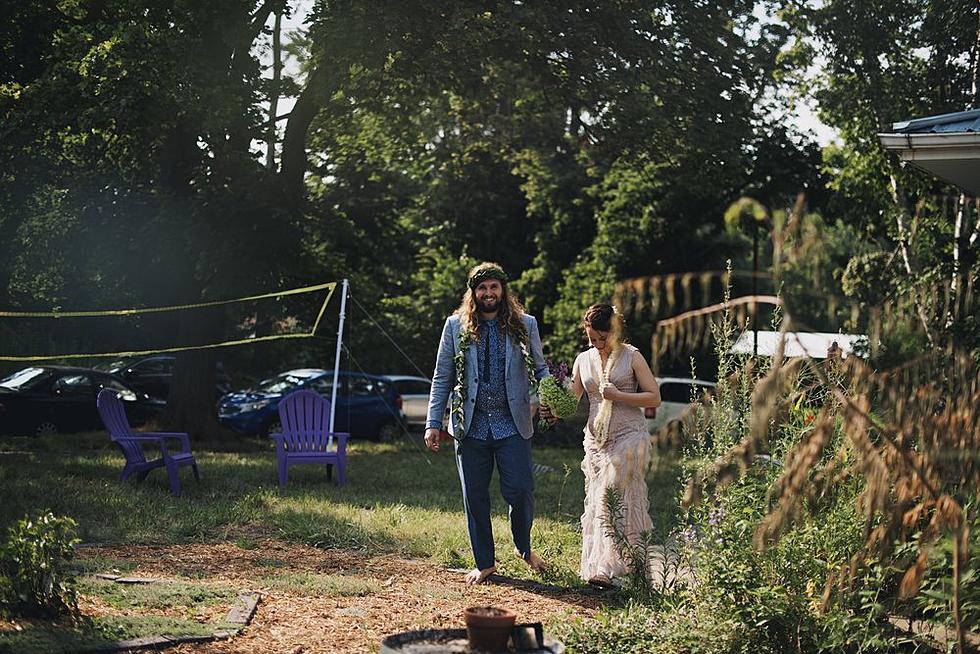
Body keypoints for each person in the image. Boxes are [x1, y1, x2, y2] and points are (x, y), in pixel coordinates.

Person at [424, 262, 551, 585]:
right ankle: (485, 563)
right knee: (475, 495)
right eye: (482, 288)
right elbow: (442, 377)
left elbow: (541, 369)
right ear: (473, 293)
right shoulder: (455, 326)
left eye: (494, 287)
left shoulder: (525, 324)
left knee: (521, 489)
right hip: (471, 425)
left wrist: (553, 397)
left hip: (513, 424)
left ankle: (523, 547)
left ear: (503, 290)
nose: (489, 293)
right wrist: (432, 423)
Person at [569, 303, 661, 588]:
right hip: (597, 440)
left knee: (609, 494)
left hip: (629, 435)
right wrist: (551, 407)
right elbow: (571, 401)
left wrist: (619, 395)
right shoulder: (583, 359)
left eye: (601, 338)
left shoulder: (632, 356)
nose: (596, 344)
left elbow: (653, 397)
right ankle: (635, 570)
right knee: (611, 499)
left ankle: (607, 569)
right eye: (591, 339)